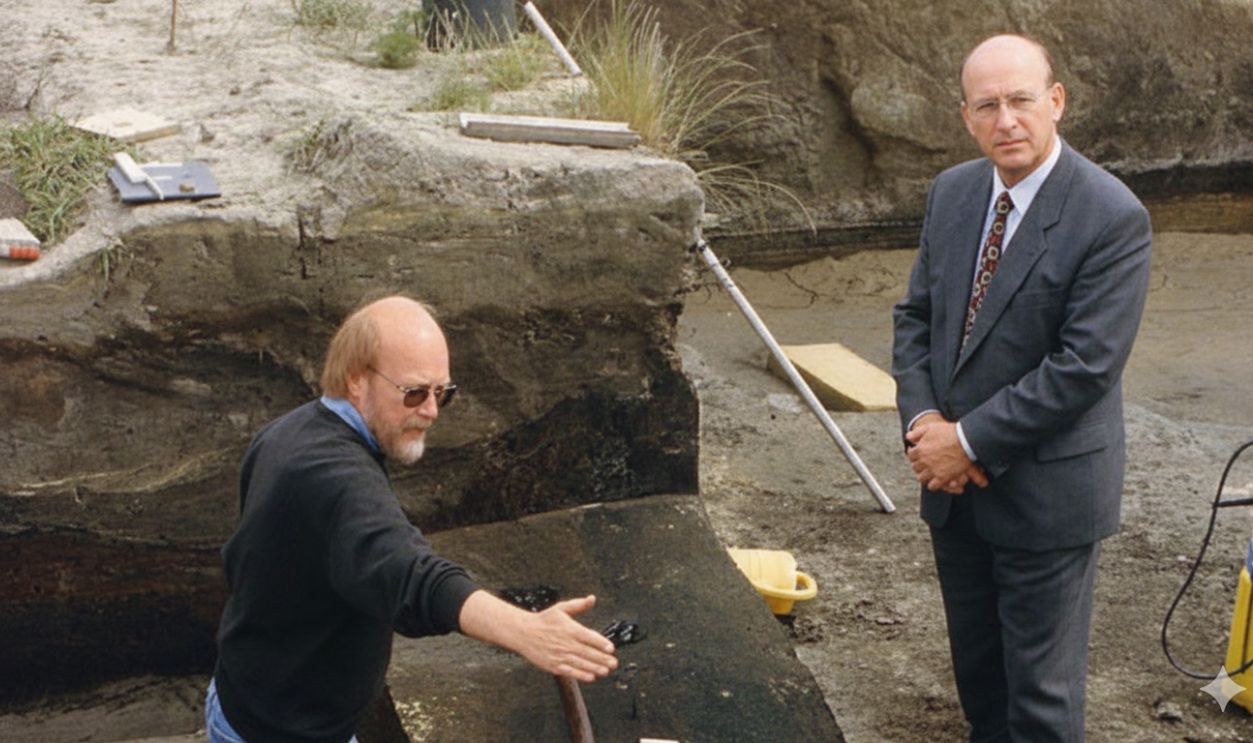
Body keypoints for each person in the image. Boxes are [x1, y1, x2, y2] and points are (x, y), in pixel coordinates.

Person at [891, 34, 1152, 742]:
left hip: (1046, 496)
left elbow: (1084, 366)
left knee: (1039, 701)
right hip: (952, 493)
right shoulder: (952, 193)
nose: (1005, 120)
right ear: (965, 116)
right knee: (981, 686)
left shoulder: (1111, 215)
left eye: (1020, 100)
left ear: (1056, 102)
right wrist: (923, 423)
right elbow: (916, 318)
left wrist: (967, 440)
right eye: (987, 106)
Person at [205, 296, 617, 742]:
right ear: (356, 379)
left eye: (443, 393)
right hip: (279, 730)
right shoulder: (337, 478)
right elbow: (411, 574)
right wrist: (525, 630)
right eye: (414, 393)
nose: (432, 411)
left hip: (245, 693)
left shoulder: (286, 433)